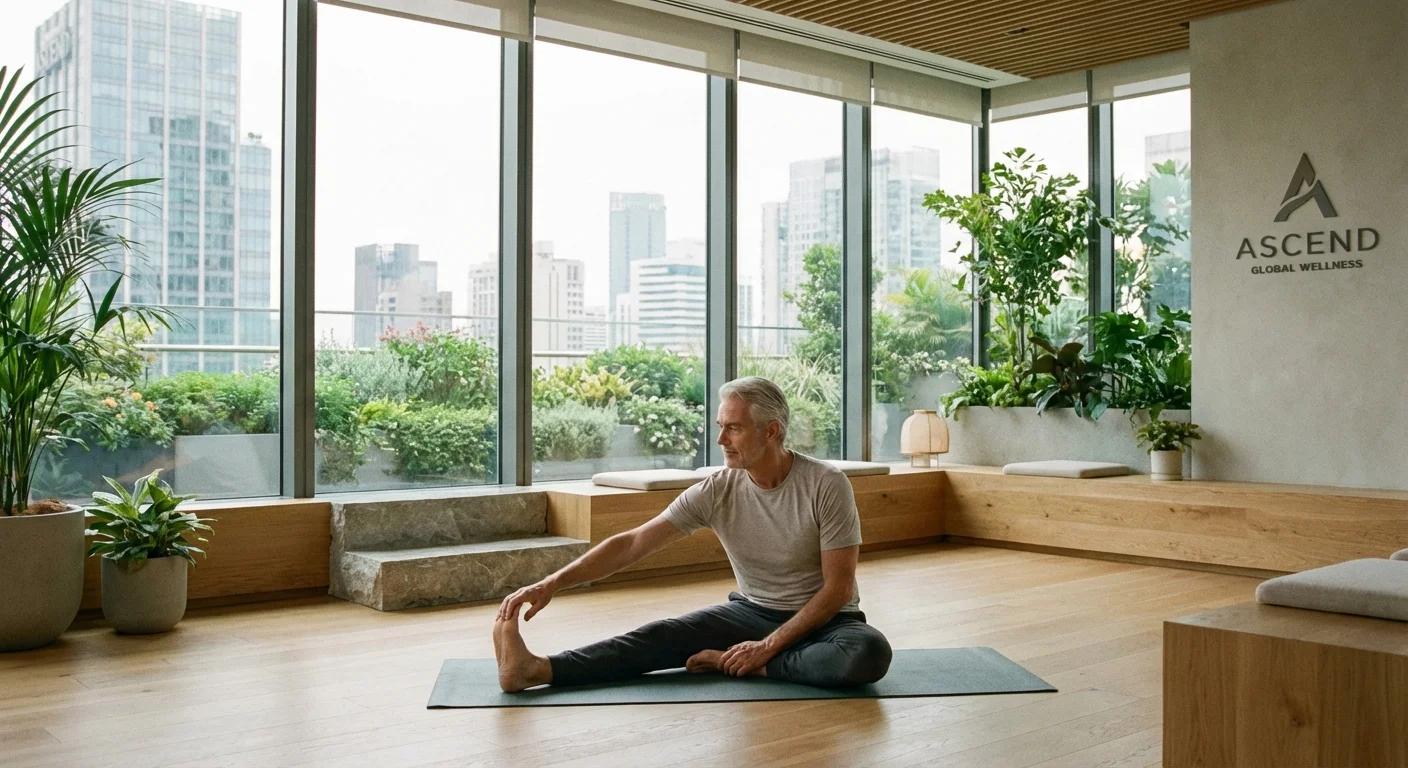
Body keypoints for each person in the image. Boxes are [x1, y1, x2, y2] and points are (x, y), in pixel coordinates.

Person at [493, 376, 893, 692]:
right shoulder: (718, 488)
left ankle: (741, 665)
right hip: (751, 613)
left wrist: (765, 650)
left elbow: (838, 590)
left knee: (868, 652)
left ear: (771, 431)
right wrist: (551, 583)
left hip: (828, 624)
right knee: (661, 636)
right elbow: (632, 543)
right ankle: (536, 669)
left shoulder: (826, 483)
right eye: (720, 427)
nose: (720, 440)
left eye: (733, 429)